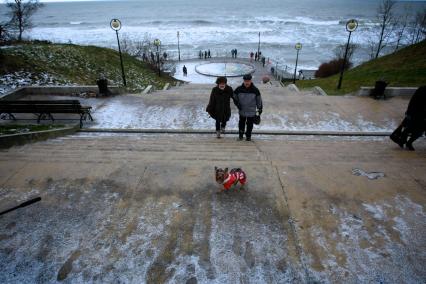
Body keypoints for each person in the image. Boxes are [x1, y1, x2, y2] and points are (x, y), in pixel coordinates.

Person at [390, 86, 426, 151]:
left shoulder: (422, 89)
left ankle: (405, 141)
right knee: (414, 129)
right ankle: (406, 141)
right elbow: (414, 102)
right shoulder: (422, 89)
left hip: (416, 113)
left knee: (413, 129)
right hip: (416, 114)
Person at [233, 74, 263, 141]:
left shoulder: (255, 90)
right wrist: (237, 104)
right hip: (242, 110)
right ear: (243, 81)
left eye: (248, 81)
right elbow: (234, 97)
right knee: (241, 124)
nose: (247, 82)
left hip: (251, 111)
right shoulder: (239, 89)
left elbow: (259, 100)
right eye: (245, 81)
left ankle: (248, 137)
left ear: (251, 81)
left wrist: (260, 108)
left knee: (250, 125)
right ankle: (240, 136)